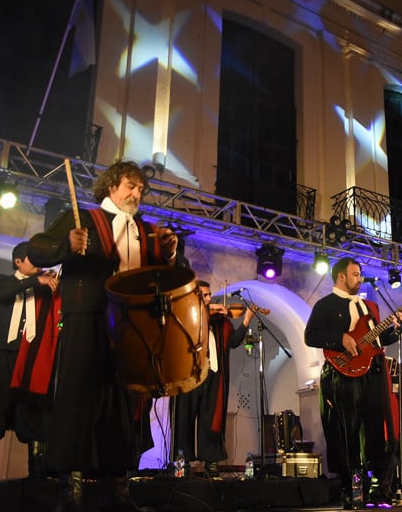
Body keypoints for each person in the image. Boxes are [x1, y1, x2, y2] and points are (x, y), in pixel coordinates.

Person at [28, 161, 185, 510]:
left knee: (123, 405)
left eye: (141, 189)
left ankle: (118, 484)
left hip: (130, 325)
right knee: (78, 398)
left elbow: (165, 274)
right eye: (130, 186)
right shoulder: (82, 218)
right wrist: (68, 245)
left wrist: (170, 252)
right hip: (88, 317)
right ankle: (73, 485)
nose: (136, 193)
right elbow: (36, 248)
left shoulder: (145, 230)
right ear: (111, 186)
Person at [304, 258, 402, 508]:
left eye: (360, 274)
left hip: (372, 373)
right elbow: (311, 335)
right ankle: (351, 487)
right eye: (355, 274)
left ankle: (377, 486)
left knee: (373, 428)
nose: (360, 278)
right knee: (347, 430)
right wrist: (340, 337)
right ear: (341, 277)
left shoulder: (368, 306)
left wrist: (395, 329)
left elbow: (377, 342)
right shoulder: (326, 305)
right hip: (342, 373)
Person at [0, 241, 60, 485]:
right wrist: (34, 281)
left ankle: (38, 473)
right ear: (18, 261)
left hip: (32, 358)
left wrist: (48, 282)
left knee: (34, 411)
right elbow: (2, 293)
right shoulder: (3, 281)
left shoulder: (43, 286)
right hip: (3, 354)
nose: (38, 266)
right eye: (33, 260)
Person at [172, 280, 254, 479]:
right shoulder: (186, 314)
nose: (209, 298)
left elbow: (233, 342)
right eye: (204, 294)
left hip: (213, 375)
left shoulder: (220, 322)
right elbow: (192, 323)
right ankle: (181, 466)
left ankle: (211, 465)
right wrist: (207, 310)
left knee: (211, 420)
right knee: (184, 419)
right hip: (189, 376)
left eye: (209, 295)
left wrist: (246, 320)